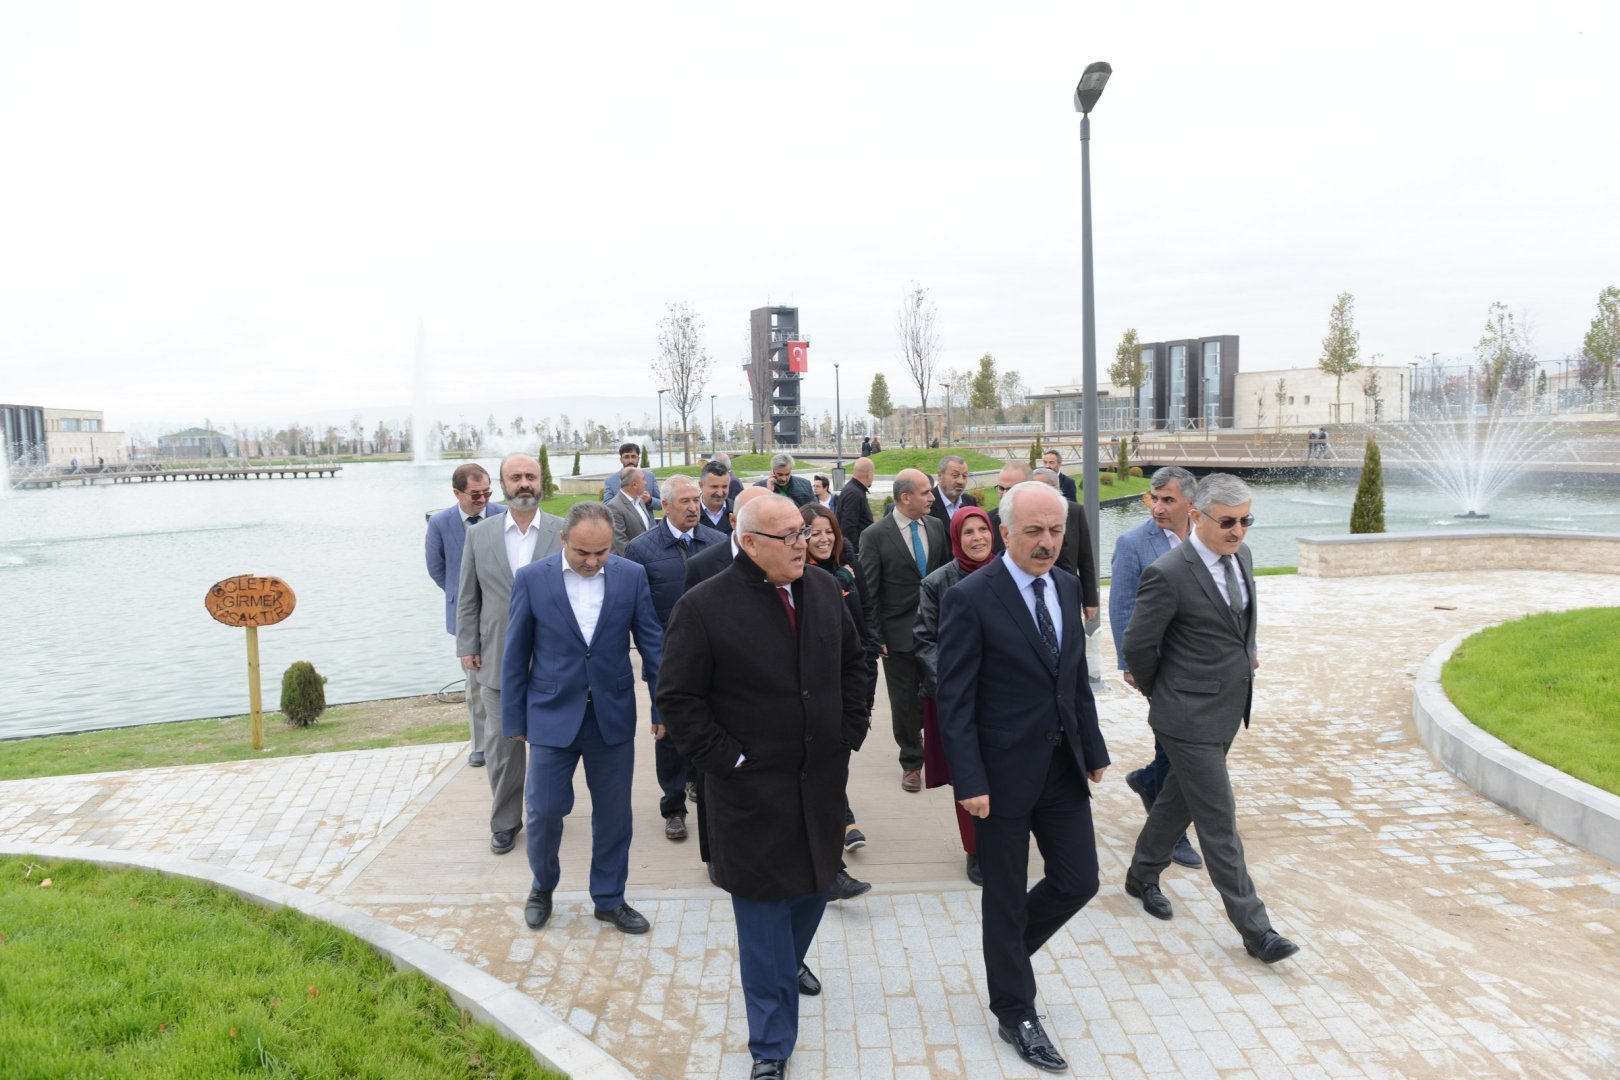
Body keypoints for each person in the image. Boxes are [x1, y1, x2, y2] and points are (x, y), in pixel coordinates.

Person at [657, 494, 870, 1080]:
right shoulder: (703, 607)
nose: (804, 543)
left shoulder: (822, 589)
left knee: (815, 891)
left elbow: (855, 662)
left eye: (804, 531)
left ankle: (782, 970)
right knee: (762, 924)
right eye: (790, 536)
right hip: (750, 794)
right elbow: (677, 699)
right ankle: (771, 1048)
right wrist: (730, 759)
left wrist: (849, 730)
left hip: (820, 784)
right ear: (750, 543)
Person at [936, 481, 1109, 1073]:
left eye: (1056, 531)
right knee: (1005, 897)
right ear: (1004, 532)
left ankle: (1004, 956)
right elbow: (954, 699)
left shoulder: (1067, 585)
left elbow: (1074, 680)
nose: (1047, 542)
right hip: (999, 776)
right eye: (1034, 531)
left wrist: (1094, 749)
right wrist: (969, 781)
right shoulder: (971, 598)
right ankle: (1015, 1010)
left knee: (1079, 880)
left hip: (1062, 768)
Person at [1121, 473, 1300, 965]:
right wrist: (1163, 693)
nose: (1238, 531)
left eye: (1245, 521)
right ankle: (1257, 931)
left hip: (1227, 710)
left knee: (1178, 800)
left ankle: (1141, 874)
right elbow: (1137, 644)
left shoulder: (1242, 556)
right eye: (1227, 522)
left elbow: (1243, 624)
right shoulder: (1168, 573)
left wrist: (1246, 657)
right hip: (1185, 718)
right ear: (1197, 516)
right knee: (1219, 821)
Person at [502, 501, 664, 936]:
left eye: (602, 552)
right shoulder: (531, 579)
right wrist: (514, 720)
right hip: (550, 716)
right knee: (543, 812)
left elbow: (652, 644)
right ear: (563, 540)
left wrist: (661, 705)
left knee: (614, 815)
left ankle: (609, 899)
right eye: (583, 553)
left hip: (612, 716)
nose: (592, 562)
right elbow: (515, 655)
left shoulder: (631, 576)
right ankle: (542, 886)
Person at [457, 454, 563, 856]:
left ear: (541, 481)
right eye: (515, 477)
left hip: (552, 661)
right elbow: (468, 597)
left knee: (551, 750)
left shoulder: (562, 531)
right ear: (502, 485)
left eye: (530, 476)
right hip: (496, 658)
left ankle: (547, 815)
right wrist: (468, 645)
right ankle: (504, 823)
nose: (524, 483)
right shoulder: (479, 535)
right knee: (502, 751)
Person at [1109, 466, 1203, 870]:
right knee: (1175, 746)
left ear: (1191, 503)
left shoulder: (1207, 536)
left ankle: (1148, 781)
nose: (1158, 507)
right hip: (1160, 665)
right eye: (1154, 498)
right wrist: (1129, 662)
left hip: (1204, 662)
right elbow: (1122, 606)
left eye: (1168, 500)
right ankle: (1172, 832)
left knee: (1185, 744)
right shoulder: (1133, 543)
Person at [622, 475, 725, 842]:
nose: (694, 507)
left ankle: (701, 786)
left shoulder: (718, 543)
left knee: (711, 724)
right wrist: (654, 659)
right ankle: (674, 807)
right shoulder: (640, 550)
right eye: (685, 501)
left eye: (696, 500)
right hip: (666, 658)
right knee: (668, 732)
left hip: (714, 657)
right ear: (664, 506)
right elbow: (639, 613)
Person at [913, 505, 996, 886]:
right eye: (968, 532)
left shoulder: (1009, 573)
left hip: (1003, 695)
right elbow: (925, 641)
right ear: (955, 539)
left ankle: (1003, 837)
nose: (977, 538)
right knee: (968, 773)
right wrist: (954, 687)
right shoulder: (937, 583)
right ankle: (976, 848)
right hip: (955, 697)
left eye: (983, 530)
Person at [857, 468, 947, 793]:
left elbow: (947, 576)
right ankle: (911, 762)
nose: (932, 497)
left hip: (936, 630)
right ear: (905, 497)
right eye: (925, 492)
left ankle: (938, 752)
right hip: (896, 634)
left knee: (937, 693)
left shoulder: (936, 527)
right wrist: (875, 635)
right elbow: (869, 589)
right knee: (904, 700)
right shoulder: (875, 535)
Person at [803, 503, 879, 883]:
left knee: (837, 760)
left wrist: (868, 677)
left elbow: (867, 618)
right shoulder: (800, 577)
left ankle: (839, 826)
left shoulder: (849, 567)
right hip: (815, 688)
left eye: (828, 531)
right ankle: (841, 833)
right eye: (814, 532)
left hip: (851, 680)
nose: (823, 539)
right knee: (827, 765)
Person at [425, 462, 506, 766]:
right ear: (456, 493)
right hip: (466, 618)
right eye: (475, 494)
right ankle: (480, 746)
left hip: (504, 613)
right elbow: (436, 568)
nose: (482, 499)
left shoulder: (503, 515)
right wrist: (462, 596)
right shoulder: (440, 523)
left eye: (487, 492)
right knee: (474, 684)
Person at [1029, 468, 1099, 617]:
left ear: (1055, 488)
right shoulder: (1027, 514)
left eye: (1037, 488)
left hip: (1068, 590)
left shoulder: (1075, 511)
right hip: (1036, 588)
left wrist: (1090, 600)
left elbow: (1085, 557)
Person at [607, 466, 653, 554]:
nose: (646, 483)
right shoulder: (614, 507)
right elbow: (620, 542)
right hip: (631, 559)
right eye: (643, 479)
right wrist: (638, 559)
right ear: (634, 485)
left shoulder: (640, 500)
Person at [601, 441, 661, 509]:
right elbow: (607, 507)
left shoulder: (650, 477)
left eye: (633, 456)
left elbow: (660, 504)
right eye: (626, 457)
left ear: (638, 459)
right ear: (621, 460)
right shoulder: (610, 481)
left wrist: (650, 500)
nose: (630, 461)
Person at [835, 457, 875, 556]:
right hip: (857, 553)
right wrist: (857, 552)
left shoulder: (854, 490)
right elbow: (848, 527)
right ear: (869, 473)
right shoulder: (854, 494)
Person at [927, 454, 979, 527]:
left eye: (964, 476)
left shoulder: (970, 501)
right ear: (940, 476)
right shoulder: (927, 502)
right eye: (955, 475)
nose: (961, 481)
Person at [698, 459, 735, 533]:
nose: (720, 493)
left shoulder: (738, 512)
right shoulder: (689, 514)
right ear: (701, 485)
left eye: (724, 487)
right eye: (714, 487)